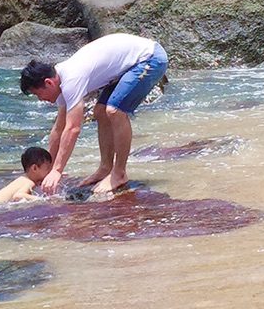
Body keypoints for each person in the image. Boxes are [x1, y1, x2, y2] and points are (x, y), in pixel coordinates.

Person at [19, 33, 169, 195]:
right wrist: (47, 170)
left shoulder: (71, 79)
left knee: (115, 111)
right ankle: (105, 168)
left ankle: (119, 173)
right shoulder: (60, 82)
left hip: (150, 58)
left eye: (37, 94)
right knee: (100, 112)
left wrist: (57, 171)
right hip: (130, 65)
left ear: (48, 82)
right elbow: (58, 128)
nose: (40, 100)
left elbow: (73, 128)